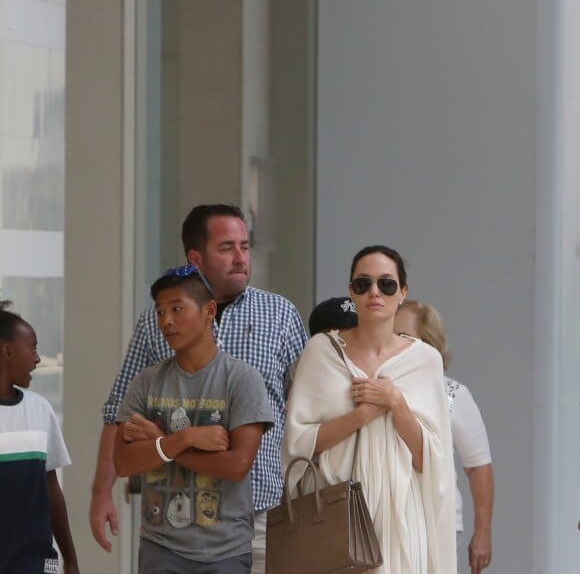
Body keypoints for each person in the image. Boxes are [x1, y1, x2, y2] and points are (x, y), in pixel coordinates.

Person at [91, 204, 307, 573]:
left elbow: (306, 406)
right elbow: (118, 416)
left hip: (261, 515)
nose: (240, 257)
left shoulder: (280, 314)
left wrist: (163, 442)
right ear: (196, 257)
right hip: (171, 524)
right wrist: (100, 493)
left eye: (244, 246)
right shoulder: (157, 323)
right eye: (226, 248)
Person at [282, 245, 456, 574]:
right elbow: (299, 442)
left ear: (402, 292)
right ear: (351, 291)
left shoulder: (424, 361)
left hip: (401, 514)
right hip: (334, 512)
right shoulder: (322, 352)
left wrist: (395, 402)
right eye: (363, 283)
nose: (374, 292)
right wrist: (361, 416)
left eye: (386, 284)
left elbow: (431, 458)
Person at [114, 266, 274, 573]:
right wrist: (183, 438)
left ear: (208, 310)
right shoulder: (147, 382)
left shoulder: (241, 380)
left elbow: (236, 466)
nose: (166, 321)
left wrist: (159, 443)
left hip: (225, 549)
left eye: (176, 308)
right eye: (160, 311)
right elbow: (123, 462)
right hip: (160, 546)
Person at [394, 300, 494, 574]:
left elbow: (478, 467)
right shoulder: (376, 389)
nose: (394, 344)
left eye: (404, 336)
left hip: (438, 523)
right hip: (385, 523)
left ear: (430, 344)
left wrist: (482, 533)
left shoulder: (453, 395)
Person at [0, 301, 79, 574]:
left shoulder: (39, 409)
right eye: (32, 347)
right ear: (6, 351)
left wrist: (70, 559)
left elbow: (51, 489)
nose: (37, 358)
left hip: (37, 563)